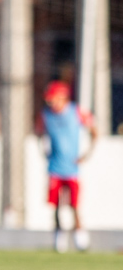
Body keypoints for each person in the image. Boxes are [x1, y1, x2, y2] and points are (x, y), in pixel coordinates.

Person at [36, 80, 97, 252]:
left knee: (75, 205)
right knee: (55, 206)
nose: (50, 102)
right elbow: (39, 133)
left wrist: (86, 154)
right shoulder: (46, 114)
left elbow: (94, 131)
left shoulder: (76, 112)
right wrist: (44, 152)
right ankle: (59, 238)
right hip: (54, 168)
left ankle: (80, 238)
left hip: (72, 169)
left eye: (53, 98)